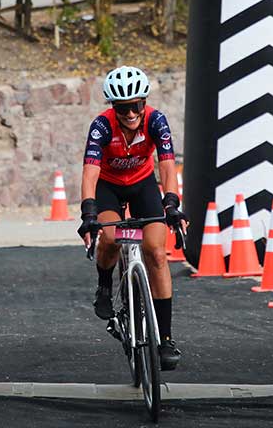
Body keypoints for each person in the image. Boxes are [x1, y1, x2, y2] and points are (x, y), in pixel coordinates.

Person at [77, 66, 186, 371]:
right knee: (110, 238)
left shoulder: (156, 120)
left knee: (156, 253)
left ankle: (165, 338)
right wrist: (88, 212)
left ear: (144, 103)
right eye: (122, 108)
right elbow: (90, 171)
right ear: (113, 107)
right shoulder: (101, 126)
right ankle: (104, 286)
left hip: (142, 185)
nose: (130, 113)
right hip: (108, 187)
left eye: (136, 105)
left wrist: (172, 203)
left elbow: (166, 165)